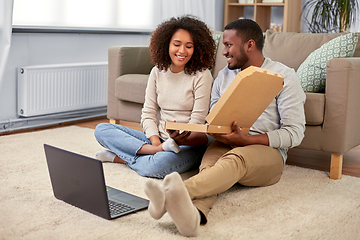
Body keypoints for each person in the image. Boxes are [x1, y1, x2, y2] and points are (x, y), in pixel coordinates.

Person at [144, 19, 306, 237]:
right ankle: (193, 218)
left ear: (249, 45)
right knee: (210, 171)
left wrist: (246, 141)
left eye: (229, 45)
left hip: (267, 153)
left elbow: (295, 133)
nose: (224, 52)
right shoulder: (223, 76)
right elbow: (212, 120)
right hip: (225, 142)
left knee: (234, 160)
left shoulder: (283, 76)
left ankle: (170, 195)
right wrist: (198, 132)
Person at [94, 15, 216, 178]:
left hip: (188, 145)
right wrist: (157, 144)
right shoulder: (157, 71)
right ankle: (153, 152)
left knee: (155, 167)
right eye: (177, 44)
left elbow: (197, 122)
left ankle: (119, 158)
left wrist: (177, 140)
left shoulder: (202, 75)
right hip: (160, 140)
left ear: (197, 49)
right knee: (102, 129)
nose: (182, 51)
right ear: (166, 44)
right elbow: (148, 112)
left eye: (189, 46)